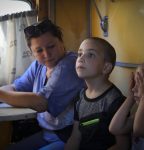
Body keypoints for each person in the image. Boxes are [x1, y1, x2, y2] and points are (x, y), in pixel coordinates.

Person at [0, 19, 84, 150]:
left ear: (61, 42)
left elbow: (41, 103)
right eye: (39, 50)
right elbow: (15, 87)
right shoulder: (39, 65)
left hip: (66, 136)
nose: (47, 54)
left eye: (51, 46)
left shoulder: (69, 65)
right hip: (47, 134)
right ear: (32, 53)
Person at [64, 37, 129, 150]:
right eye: (80, 54)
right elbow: (75, 137)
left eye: (90, 55)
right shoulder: (80, 97)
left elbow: (123, 145)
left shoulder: (116, 101)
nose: (81, 58)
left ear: (105, 67)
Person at [109, 60, 144, 150]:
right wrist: (131, 97)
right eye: (134, 83)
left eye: (140, 84)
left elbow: (140, 130)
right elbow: (115, 128)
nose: (134, 88)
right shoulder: (140, 115)